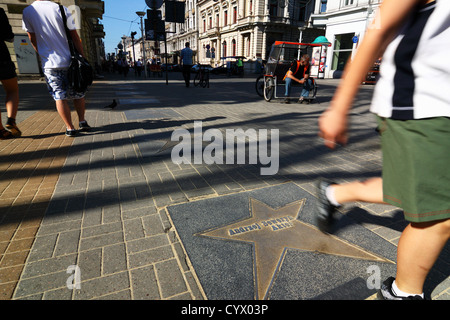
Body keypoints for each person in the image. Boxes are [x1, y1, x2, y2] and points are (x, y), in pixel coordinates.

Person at [317, 0, 450, 300]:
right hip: (421, 106)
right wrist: (339, 107)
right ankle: (402, 293)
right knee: (438, 214)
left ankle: (333, 194)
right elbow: (377, 30)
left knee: (413, 192)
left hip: (438, 107)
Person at [22, 0, 91, 137]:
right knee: (78, 92)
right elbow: (75, 36)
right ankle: (82, 121)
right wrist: (82, 57)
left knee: (59, 96)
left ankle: (70, 128)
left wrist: (41, 53)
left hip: (49, 64)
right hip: (70, 61)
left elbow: (32, 37)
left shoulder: (27, 12)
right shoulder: (63, 9)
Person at [0, 8, 21, 139]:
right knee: (12, 90)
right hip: (1, 57)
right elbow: (9, 36)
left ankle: (1, 130)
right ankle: (11, 120)